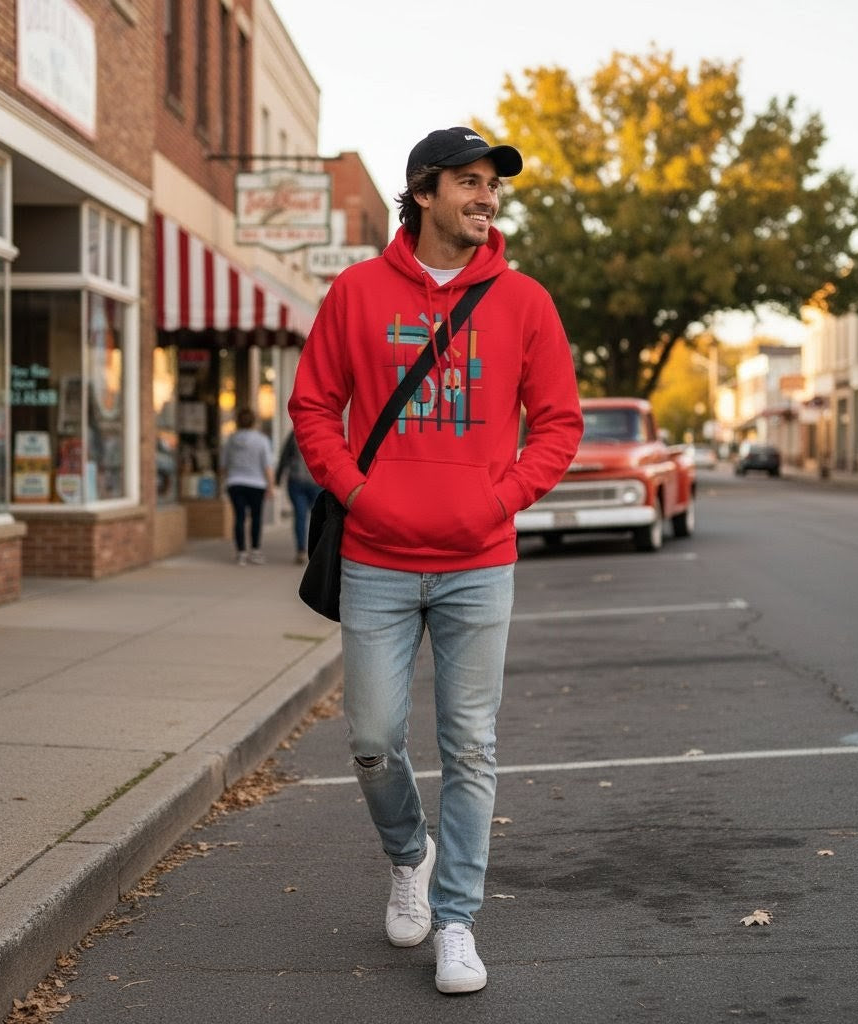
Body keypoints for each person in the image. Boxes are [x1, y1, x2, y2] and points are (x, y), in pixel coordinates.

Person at [288, 126, 582, 994]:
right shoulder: (356, 292)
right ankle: (406, 856)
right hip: (377, 558)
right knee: (375, 741)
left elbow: (558, 424)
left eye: (493, 184)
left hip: (479, 562)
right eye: (468, 181)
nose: (486, 196)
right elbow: (314, 407)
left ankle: (457, 919)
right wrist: (363, 495)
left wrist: (497, 500)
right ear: (422, 193)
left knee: (472, 748)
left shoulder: (525, 302)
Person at [220, 407, 274, 565]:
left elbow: (223, 465)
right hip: (256, 484)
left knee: (239, 517)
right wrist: (270, 486)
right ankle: (255, 550)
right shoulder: (261, 440)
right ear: (253, 422)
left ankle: (241, 552)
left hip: (235, 482)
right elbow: (267, 466)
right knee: (256, 517)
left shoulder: (231, 440)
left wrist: (224, 481)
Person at [276, 429, 323, 564]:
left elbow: (285, 456)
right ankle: (317, 552)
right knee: (318, 517)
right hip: (315, 481)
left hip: (297, 480)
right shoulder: (322, 431)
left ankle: (301, 551)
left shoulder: (295, 433)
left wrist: (278, 478)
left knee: (300, 515)